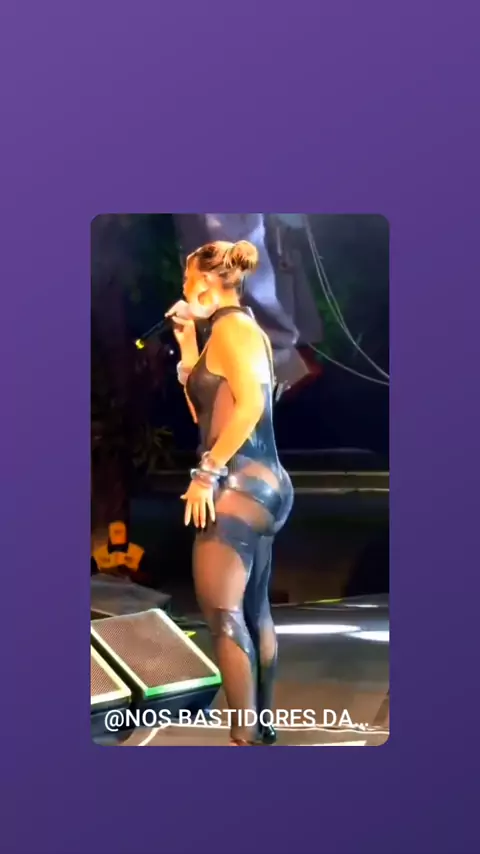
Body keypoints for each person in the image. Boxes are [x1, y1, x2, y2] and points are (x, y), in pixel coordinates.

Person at [167, 239, 294, 745]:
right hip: (258, 485)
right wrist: (187, 347)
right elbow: (208, 412)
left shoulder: (234, 329)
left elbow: (249, 409)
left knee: (223, 615)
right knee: (252, 610)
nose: (183, 289)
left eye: (186, 280)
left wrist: (206, 475)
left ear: (202, 281)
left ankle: (244, 736)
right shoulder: (232, 329)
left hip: (238, 484)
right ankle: (260, 727)